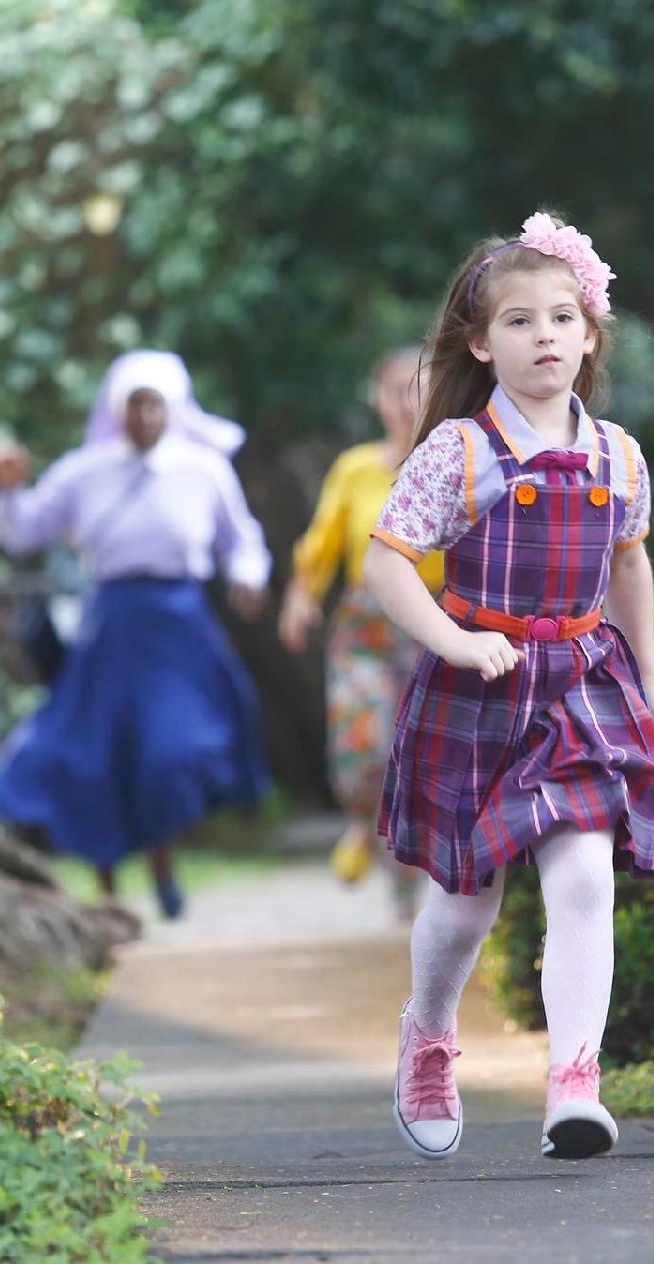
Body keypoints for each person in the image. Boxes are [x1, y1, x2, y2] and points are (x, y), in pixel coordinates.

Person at [363, 213, 654, 1162]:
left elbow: (630, 567)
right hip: (480, 692)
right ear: (479, 342)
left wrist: (653, 676)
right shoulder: (458, 452)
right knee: (467, 903)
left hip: (581, 686)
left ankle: (575, 1080)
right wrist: (454, 639)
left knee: (586, 877)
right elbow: (388, 563)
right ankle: (428, 1032)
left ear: (589, 335)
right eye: (518, 321)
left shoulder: (618, 455)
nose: (543, 335)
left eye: (562, 317)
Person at [0, 350, 271, 921]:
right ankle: (109, 892)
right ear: (117, 410)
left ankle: (162, 862)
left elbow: (241, 538)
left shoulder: (202, 467)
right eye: (133, 403)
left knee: (170, 749)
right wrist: (9, 491)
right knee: (95, 754)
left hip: (178, 624)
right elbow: (24, 532)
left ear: (173, 408)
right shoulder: (85, 470)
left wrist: (247, 575)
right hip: (110, 624)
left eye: (154, 403)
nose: (143, 415)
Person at [278, 347, 441, 922]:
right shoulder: (354, 468)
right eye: (393, 389)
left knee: (420, 760)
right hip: (366, 624)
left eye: (416, 388)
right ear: (374, 398)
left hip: (438, 622)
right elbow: (320, 543)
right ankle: (357, 818)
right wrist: (300, 598)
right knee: (364, 748)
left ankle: (406, 890)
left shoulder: (454, 460)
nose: (405, 402)